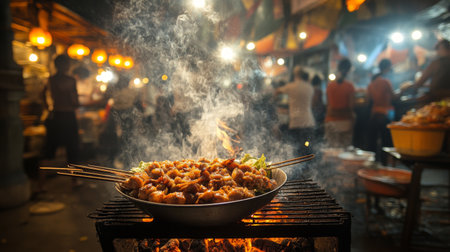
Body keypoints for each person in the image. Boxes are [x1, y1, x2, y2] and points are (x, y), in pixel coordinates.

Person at [43, 54, 80, 164]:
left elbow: (42, 94)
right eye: (66, 64)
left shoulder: (52, 79)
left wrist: (48, 108)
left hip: (57, 113)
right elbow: (75, 99)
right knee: (72, 146)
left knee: (51, 145)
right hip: (65, 114)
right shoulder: (69, 80)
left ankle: (43, 177)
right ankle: (74, 179)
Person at [275, 66, 315, 156]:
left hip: (296, 122)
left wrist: (275, 102)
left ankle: (300, 168)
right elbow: (310, 104)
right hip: (309, 121)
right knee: (308, 148)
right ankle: (308, 167)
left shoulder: (291, 86)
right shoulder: (310, 87)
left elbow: (277, 91)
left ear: (295, 75)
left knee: (297, 149)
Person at [367, 59, 396, 164]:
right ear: (387, 68)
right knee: (386, 142)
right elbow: (393, 97)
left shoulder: (371, 83)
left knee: (373, 142)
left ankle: (374, 163)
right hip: (386, 114)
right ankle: (385, 163)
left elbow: (368, 99)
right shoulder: (386, 82)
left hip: (374, 114)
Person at [325, 58, 355, 148]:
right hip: (345, 121)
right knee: (344, 150)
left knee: (331, 150)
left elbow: (328, 104)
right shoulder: (350, 86)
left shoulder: (330, 86)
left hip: (331, 121)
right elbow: (351, 106)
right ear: (349, 70)